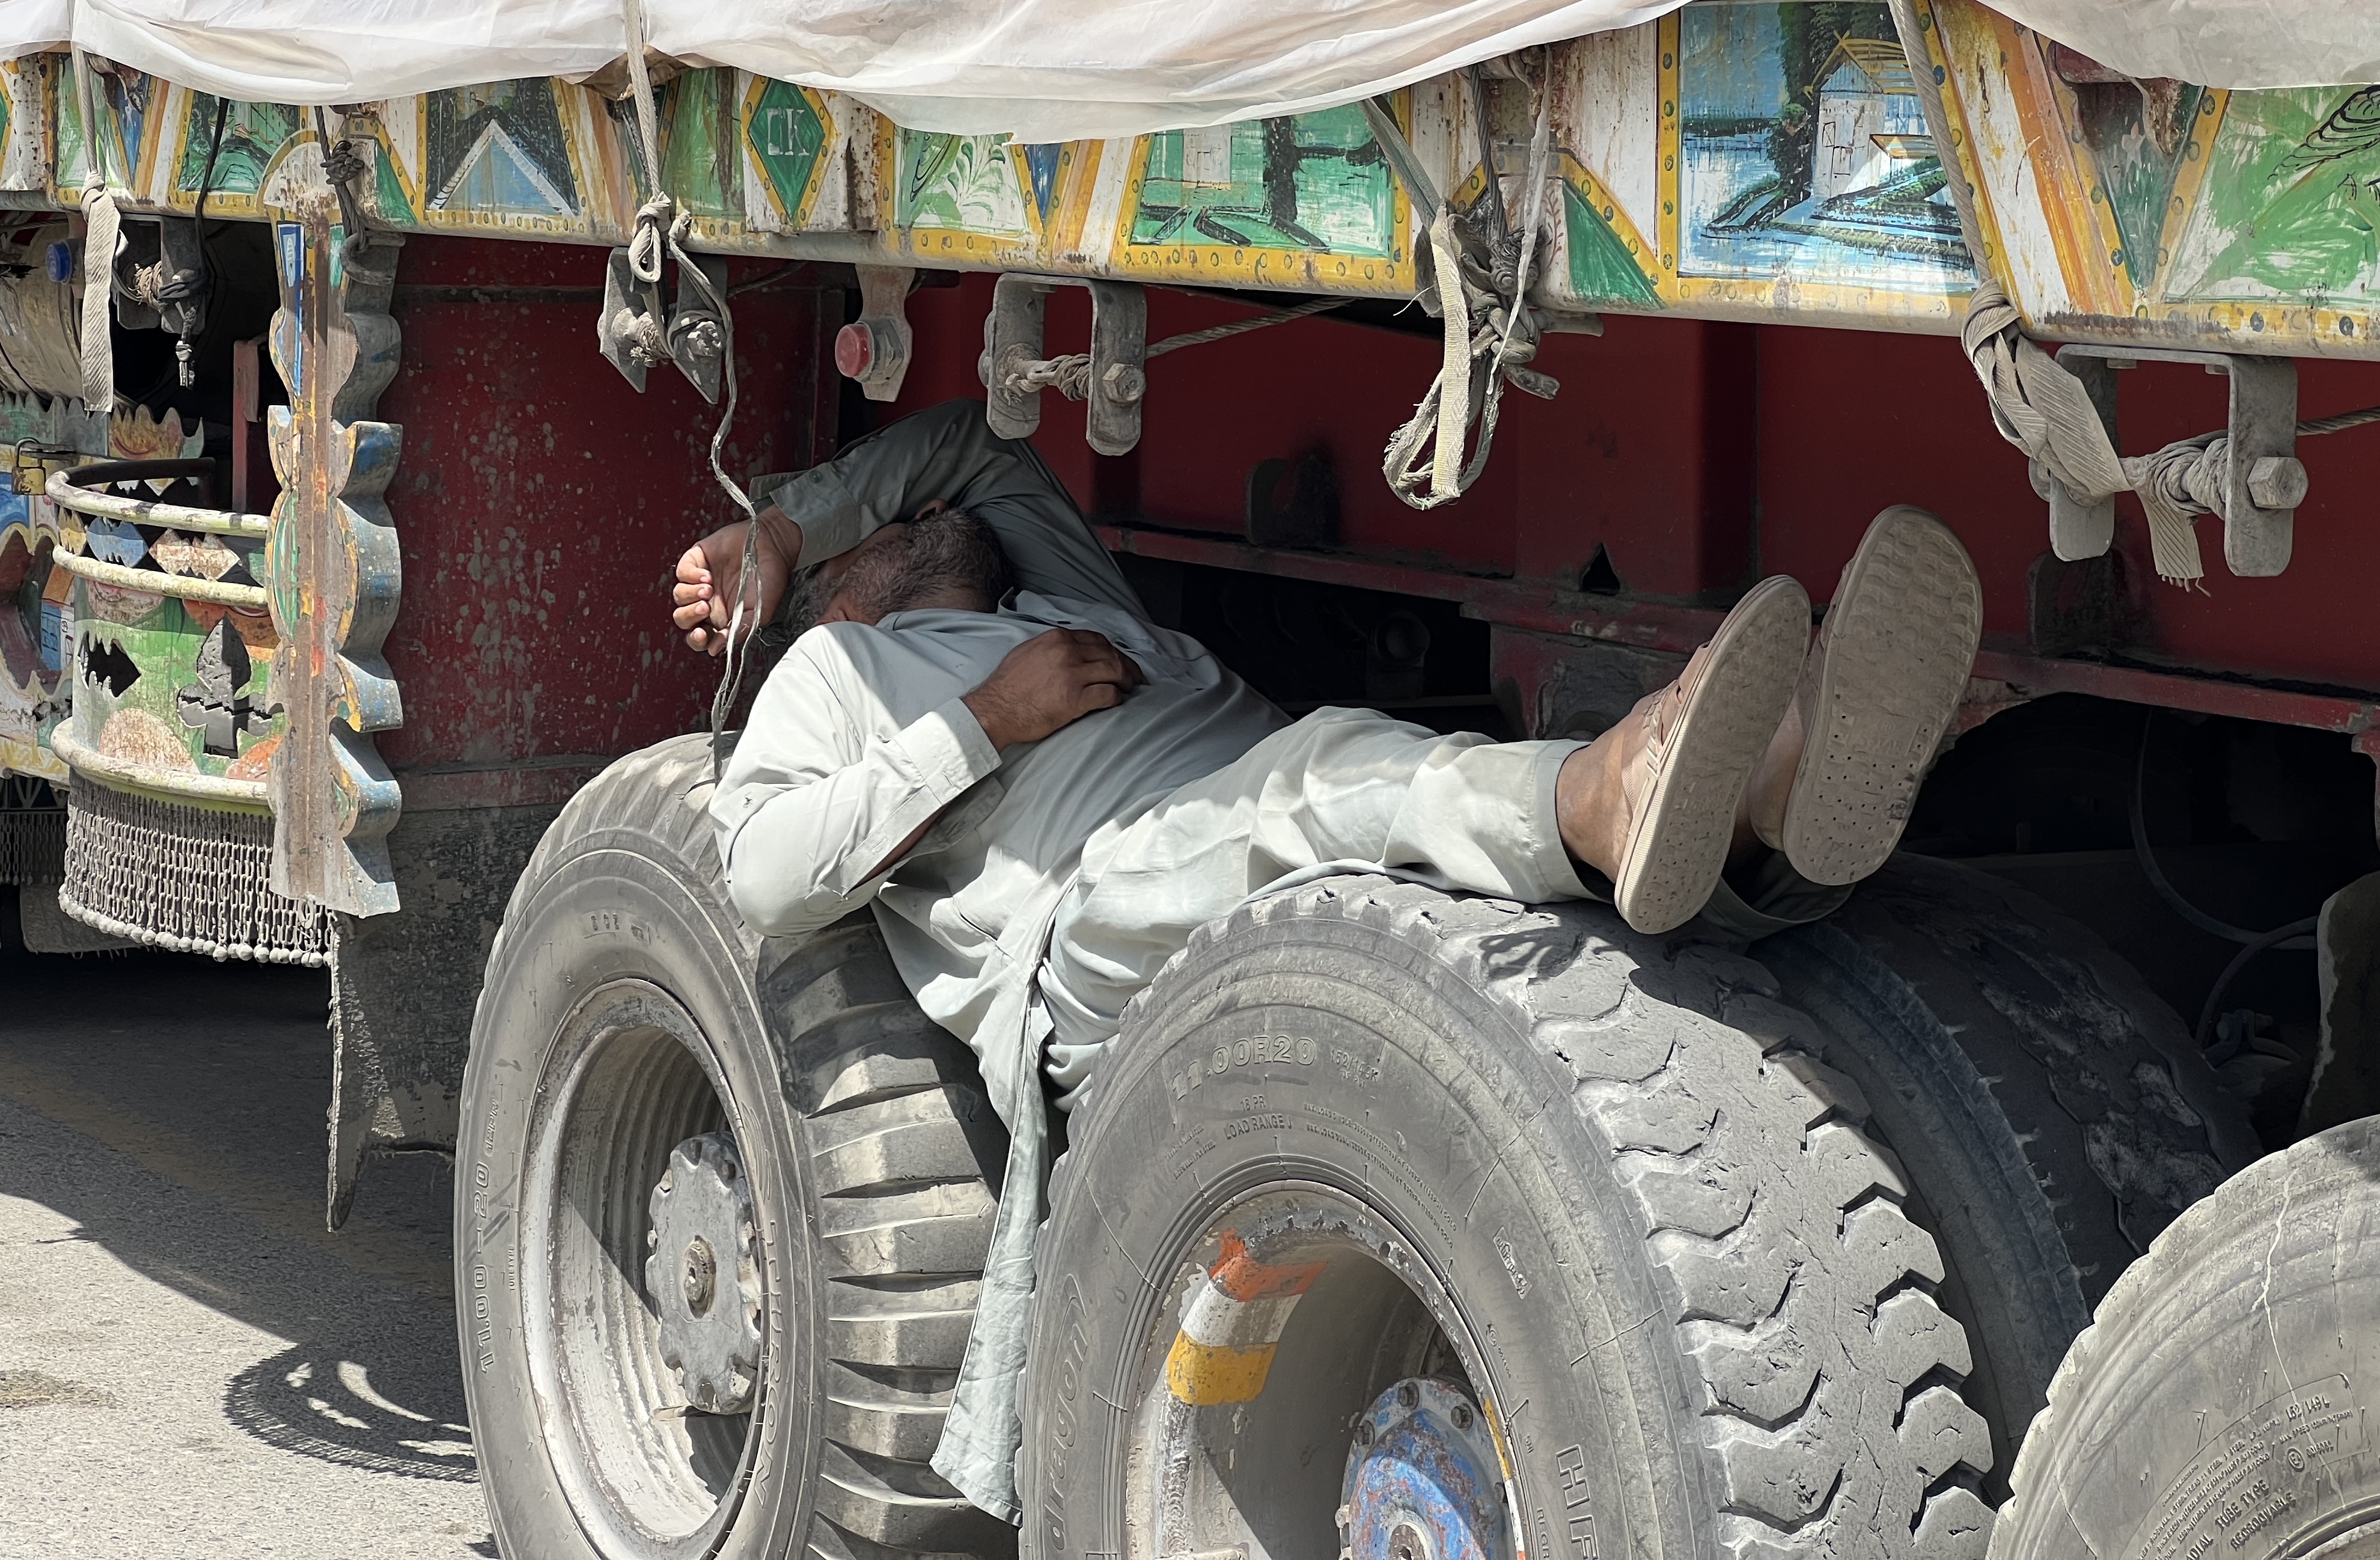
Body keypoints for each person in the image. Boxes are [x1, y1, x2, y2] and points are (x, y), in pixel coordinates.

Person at [670, 397, 1982, 1518]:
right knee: (1314, 779)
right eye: (874, 538)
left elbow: (966, 446)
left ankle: (1768, 826)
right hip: (1094, 915)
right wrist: (981, 716)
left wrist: (791, 521)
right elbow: (769, 872)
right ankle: (1604, 795)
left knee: (1385, 830)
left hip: (1237, 856)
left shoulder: (1059, 594)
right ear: (848, 591)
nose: (901, 523)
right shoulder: (841, 669)